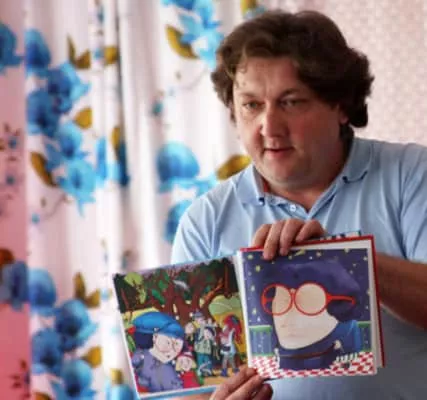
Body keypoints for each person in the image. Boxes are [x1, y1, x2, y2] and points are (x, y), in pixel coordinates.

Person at [171, 9, 427, 400]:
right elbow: (190, 385)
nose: (269, 127)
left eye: (290, 102)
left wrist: (344, 260)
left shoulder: (412, 174)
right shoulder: (204, 221)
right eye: (251, 105)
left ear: (341, 106)